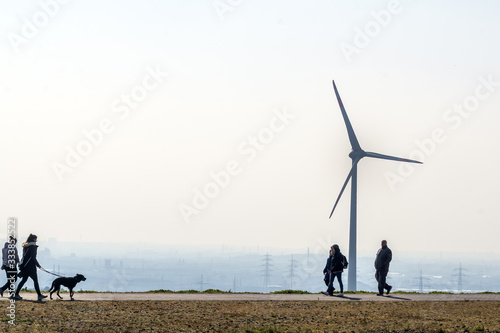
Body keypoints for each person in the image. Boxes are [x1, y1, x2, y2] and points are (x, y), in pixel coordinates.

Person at [13, 234, 47, 301]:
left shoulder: (25, 246)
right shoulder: (33, 247)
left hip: (25, 267)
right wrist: (38, 265)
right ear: (33, 239)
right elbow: (33, 258)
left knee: (23, 280)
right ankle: (39, 295)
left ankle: (16, 294)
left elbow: (25, 257)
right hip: (31, 267)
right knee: (35, 281)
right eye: (36, 239)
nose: (36, 240)